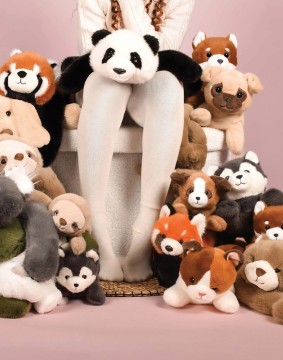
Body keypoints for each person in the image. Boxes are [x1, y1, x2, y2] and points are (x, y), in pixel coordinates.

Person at [76, 0, 195, 281]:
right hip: (104, 78)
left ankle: (144, 236)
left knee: (169, 85)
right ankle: (98, 234)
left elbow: (159, 53)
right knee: (104, 88)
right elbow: (93, 52)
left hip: (149, 79)